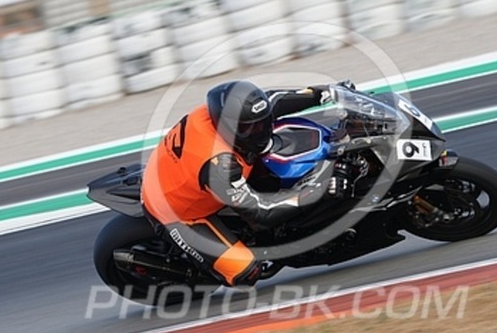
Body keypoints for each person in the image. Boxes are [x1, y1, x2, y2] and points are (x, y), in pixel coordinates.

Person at [141, 80, 349, 287]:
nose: (262, 130)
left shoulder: (227, 115)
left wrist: (323, 93)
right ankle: (202, 270)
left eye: (263, 123)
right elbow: (261, 213)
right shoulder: (219, 165)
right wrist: (316, 191)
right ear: (229, 128)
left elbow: (275, 100)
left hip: (177, 170)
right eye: (250, 128)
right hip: (174, 211)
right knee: (247, 272)